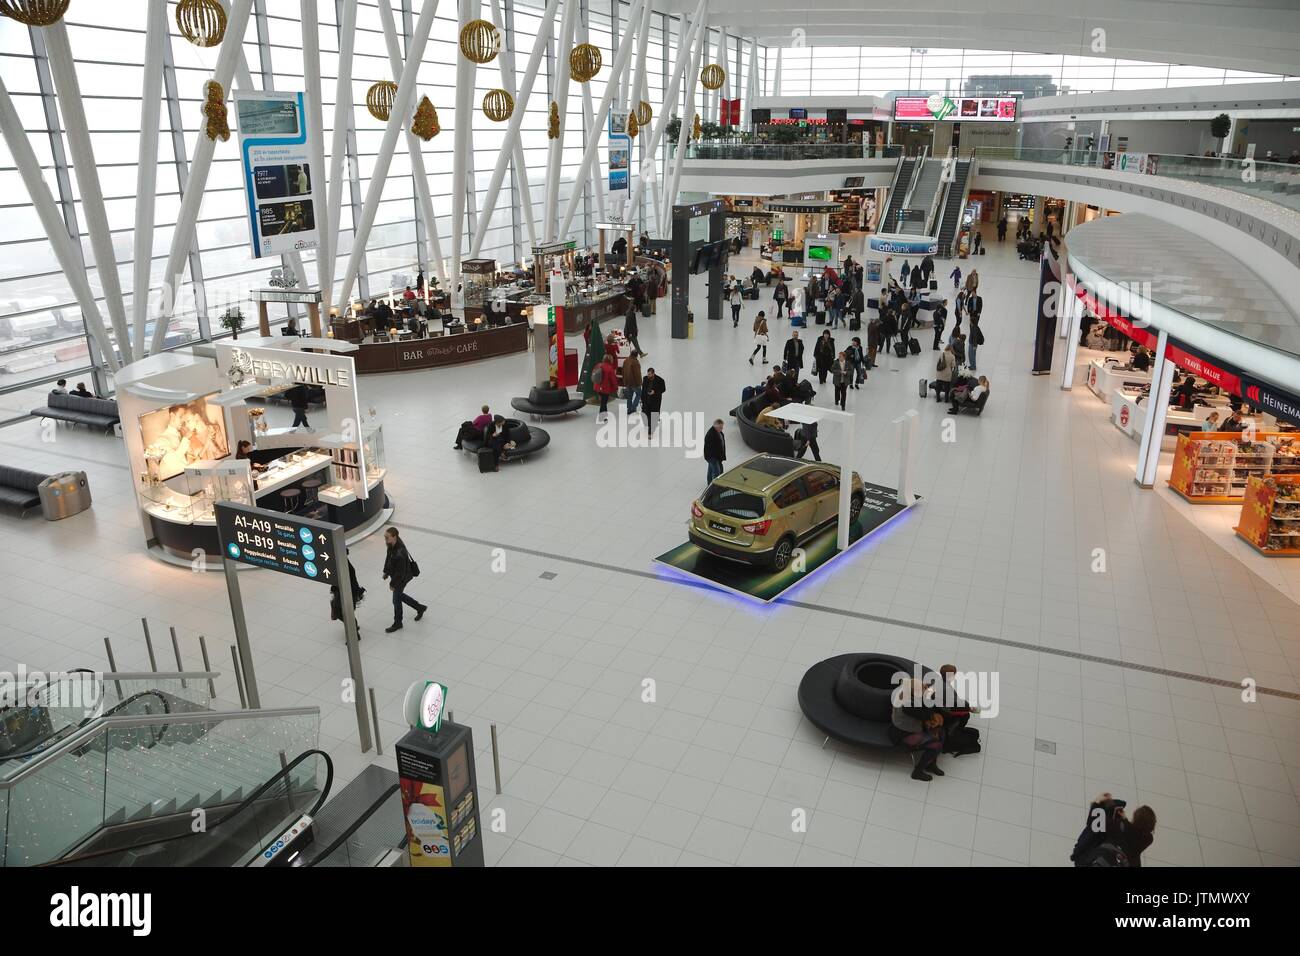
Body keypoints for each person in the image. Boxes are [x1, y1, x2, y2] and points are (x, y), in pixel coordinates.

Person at [890, 678, 945, 781]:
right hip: (903, 734)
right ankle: (918, 772)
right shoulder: (907, 705)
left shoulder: (907, 691)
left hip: (910, 727)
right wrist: (928, 697)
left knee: (941, 733)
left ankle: (931, 763)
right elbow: (926, 715)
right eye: (922, 688)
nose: (925, 688)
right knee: (936, 745)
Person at [381, 527, 426, 633]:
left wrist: (393, 583)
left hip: (401, 578)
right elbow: (388, 559)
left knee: (396, 600)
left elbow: (400, 573)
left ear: (394, 537)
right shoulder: (391, 546)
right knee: (399, 596)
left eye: (387, 537)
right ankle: (419, 607)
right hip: (397, 576)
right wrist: (386, 572)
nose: (385, 539)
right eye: (385, 537)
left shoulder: (400, 552)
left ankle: (398, 623)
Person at [592, 351, 618, 420]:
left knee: (603, 402)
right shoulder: (610, 368)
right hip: (605, 388)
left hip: (597, 387)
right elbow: (613, 380)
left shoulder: (598, 365)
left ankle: (605, 415)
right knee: (603, 403)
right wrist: (616, 388)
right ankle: (602, 417)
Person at [703, 419, 726, 485]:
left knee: (711, 470)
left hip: (716, 457)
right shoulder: (711, 435)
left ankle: (709, 483)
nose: (722, 428)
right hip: (713, 457)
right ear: (716, 426)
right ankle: (715, 486)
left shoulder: (719, 433)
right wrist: (717, 458)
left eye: (722, 427)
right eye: (720, 427)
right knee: (717, 472)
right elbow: (711, 449)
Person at [622, 350, 642, 415]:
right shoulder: (635, 362)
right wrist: (639, 383)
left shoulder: (626, 361)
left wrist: (624, 381)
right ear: (636, 355)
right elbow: (637, 374)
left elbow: (623, 371)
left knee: (630, 396)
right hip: (634, 383)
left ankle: (629, 408)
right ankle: (633, 408)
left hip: (627, 382)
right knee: (639, 394)